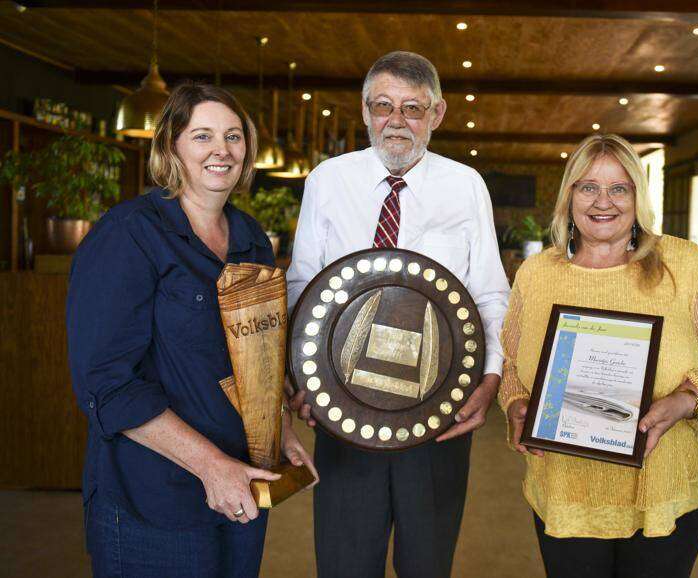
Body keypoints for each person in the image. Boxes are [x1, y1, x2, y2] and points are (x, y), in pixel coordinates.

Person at [67, 83, 316, 578]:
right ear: (171, 147)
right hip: (153, 502)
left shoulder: (252, 242)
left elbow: (255, 361)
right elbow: (106, 385)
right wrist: (211, 467)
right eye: (202, 136)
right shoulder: (128, 235)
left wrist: (280, 429)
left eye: (233, 136)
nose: (221, 150)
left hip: (241, 491)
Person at [286, 51, 510, 578]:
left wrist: (493, 379)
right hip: (343, 409)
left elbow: (490, 293)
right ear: (364, 112)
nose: (396, 120)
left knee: (427, 564)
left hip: (440, 413)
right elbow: (302, 283)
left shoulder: (466, 185)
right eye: (383, 106)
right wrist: (298, 376)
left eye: (413, 108)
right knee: (345, 563)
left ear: (438, 114)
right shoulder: (327, 180)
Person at [498, 133, 698, 578]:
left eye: (619, 188)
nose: (603, 201)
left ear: (637, 196)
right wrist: (515, 406)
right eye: (588, 187)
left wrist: (685, 400)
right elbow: (510, 362)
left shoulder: (686, 263)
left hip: (664, 488)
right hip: (566, 491)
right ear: (569, 196)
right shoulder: (537, 273)